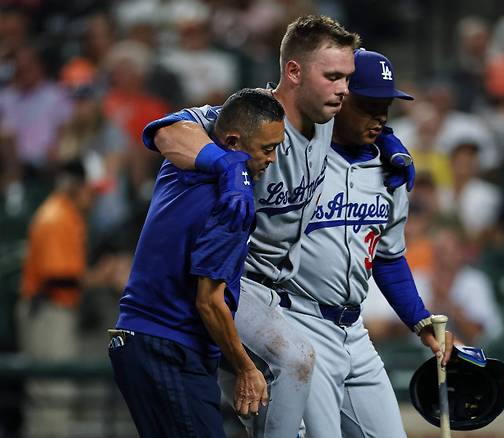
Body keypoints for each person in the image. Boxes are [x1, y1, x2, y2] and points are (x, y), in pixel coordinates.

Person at [142, 15, 415, 438]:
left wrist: (387, 141)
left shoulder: (325, 118)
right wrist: (227, 165)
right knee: (294, 360)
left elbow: (365, 106)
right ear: (293, 72)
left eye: (346, 79)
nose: (344, 88)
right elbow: (166, 132)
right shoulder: (259, 122)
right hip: (240, 282)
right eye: (333, 77)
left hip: (282, 294)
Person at [276, 49, 454, 437]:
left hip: (354, 330)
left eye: (385, 106)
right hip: (298, 318)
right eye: (368, 105)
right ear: (339, 98)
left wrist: (418, 318)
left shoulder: (391, 170)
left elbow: (388, 258)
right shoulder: (297, 153)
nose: (380, 118)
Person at [109, 89, 284, 438]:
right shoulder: (234, 203)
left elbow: (178, 129)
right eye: (267, 149)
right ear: (234, 142)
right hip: (171, 347)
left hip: (138, 339)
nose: (273, 159)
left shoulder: (179, 164)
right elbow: (208, 301)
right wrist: (246, 368)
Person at [16, 160, 117, 437]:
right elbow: (59, 277)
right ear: (75, 186)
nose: (94, 198)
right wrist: (101, 276)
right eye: (91, 191)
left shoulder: (68, 213)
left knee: (53, 394)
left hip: (55, 310)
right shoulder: (56, 216)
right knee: (51, 393)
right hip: (47, 311)